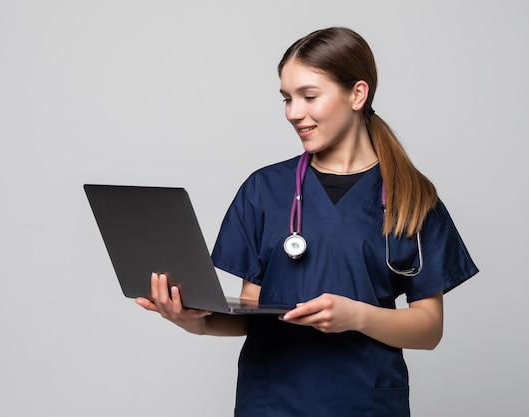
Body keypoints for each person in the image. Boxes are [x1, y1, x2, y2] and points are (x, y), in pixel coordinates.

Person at [136, 27, 478, 417]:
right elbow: (252, 311)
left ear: (357, 94)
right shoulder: (264, 190)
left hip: (364, 400)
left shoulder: (411, 197)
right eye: (287, 98)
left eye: (309, 96)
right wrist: (192, 320)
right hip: (272, 401)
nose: (294, 112)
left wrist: (358, 316)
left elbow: (429, 329)